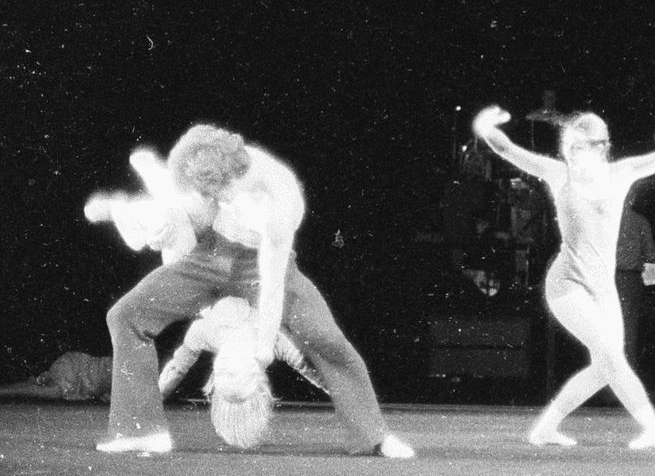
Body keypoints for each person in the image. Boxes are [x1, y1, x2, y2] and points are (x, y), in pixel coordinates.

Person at [89, 125, 414, 457]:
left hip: (265, 268)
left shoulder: (278, 202)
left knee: (327, 340)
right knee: (126, 315)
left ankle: (374, 436)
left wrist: (262, 345)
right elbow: (187, 213)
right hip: (212, 254)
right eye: (212, 195)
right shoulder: (213, 170)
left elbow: (272, 285)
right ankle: (141, 431)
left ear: (235, 180)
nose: (220, 201)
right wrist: (164, 224)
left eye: (222, 195)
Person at [472, 104, 655, 449]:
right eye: (575, 145)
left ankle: (545, 429)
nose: (578, 152)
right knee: (611, 357)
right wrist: (485, 127)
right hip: (567, 285)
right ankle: (652, 429)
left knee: (606, 366)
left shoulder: (621, 173)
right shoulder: (558, 174)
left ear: (604, 146)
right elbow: (505, 148)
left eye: (590, 145)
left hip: (602, 289)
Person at [158, 296, 328, 449]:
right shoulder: (272, 342)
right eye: (232, 373)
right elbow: (322, 378)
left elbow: (176, 370)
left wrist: (152, 402)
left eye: (220, 375)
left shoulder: (204, 333)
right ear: (254, 372)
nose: (223, 366)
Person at [615, 207, 655, 367]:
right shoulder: (640, 221)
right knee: (628, 334)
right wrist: (650, 288)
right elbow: (650, 255)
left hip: (606, 279)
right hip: (629, 282)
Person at [0, 352, 112, 401]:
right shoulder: (123, 370)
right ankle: (5, 391)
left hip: (79, 374)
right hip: (76, 365)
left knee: (49, 387)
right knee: (56, 391)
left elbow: (105, 393)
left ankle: (34, 381)